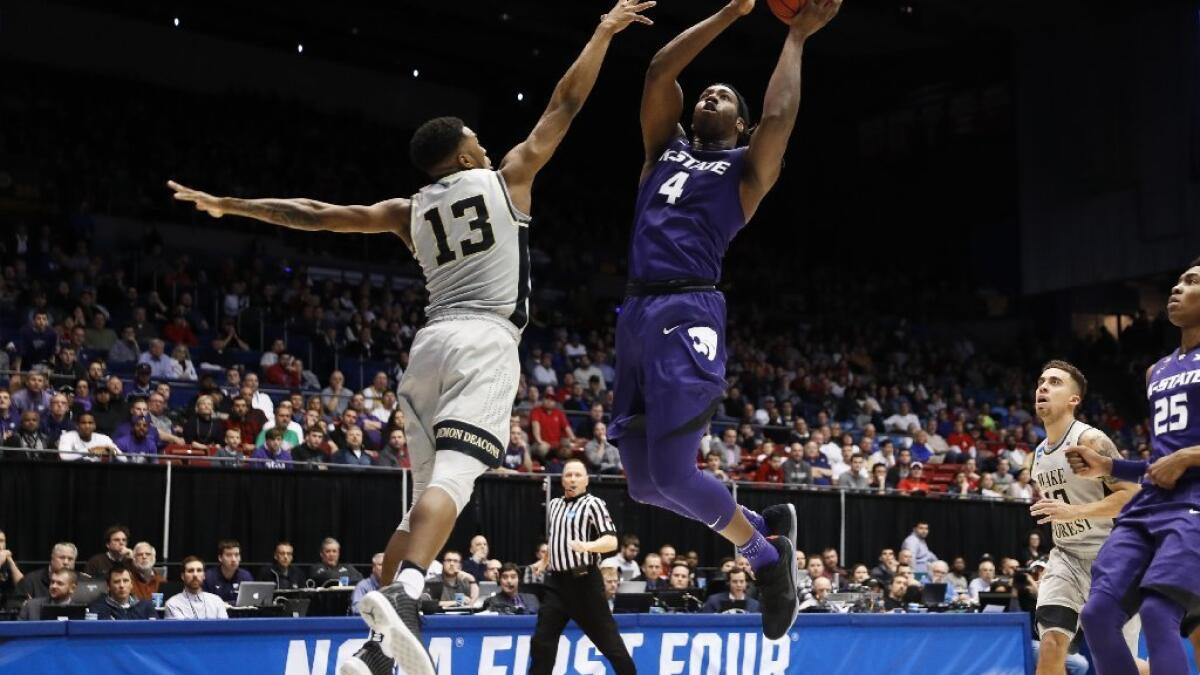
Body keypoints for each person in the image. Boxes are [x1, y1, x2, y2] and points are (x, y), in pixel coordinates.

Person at [117, 7, 668, 675]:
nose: (485, 145)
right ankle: (405, 597)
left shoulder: (407, 212)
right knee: (458, 482)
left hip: (427, 344)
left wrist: (231, 205)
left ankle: (378, 647)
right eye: (475, 139)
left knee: (420, 503)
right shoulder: (508, 177)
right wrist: (604, 32)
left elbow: (316, 215)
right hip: (484, 338)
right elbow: (567, 101)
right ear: (461, 154)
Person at [606, 0, 841, 643]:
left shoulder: (745, 171)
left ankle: (766, 558)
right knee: (647, 485)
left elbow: (781, 115)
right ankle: (767, 531)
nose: (711, 93)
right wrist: (732, 13)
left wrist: (794, 36)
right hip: (636, 311)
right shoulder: (662, 152)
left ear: (740, 126)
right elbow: (658, 72)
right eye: (707, 91)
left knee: (677, 474)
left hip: (689, 309)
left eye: (724, 95)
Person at [1069, 260, 1200, 675]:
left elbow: (1178, 460)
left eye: (1193, 282)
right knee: (1097, 615)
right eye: (1178, 281)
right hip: (1149, 505)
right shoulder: (1156, 370)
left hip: (1195, 505)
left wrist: (1188, 457)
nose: (1177, 288)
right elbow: (1159, 464)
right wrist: (1107, 465)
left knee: (1160, 615)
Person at [1022, 360, 1145, 675]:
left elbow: (1132, 494)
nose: (1043, 387)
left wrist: (1073, 511)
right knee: (1050, 644)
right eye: (1041, 382)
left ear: (1073, 399)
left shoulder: (1090, 440)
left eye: (1055, 382)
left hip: (1113, 558)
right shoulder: (1036, 455)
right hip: (1066, 557)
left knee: (1120, 666)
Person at [527, 459, 633, 674]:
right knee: (541, 643)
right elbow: (555, 538)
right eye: (568, 475)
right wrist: (545, 560)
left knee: (610, 644)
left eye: (577, 475)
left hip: (584, 583)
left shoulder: (594, 504)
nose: (572, 479)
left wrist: (588, 546)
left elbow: (611, 541)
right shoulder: (554, 505)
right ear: (562, 479)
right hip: (556, 584)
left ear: (586, 480)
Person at [164, 556, 229, 620]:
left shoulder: (217, 601)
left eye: (199, 570)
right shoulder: (172, 604)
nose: (195, 574)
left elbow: (225, 629)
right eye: (190, 571)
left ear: (204, 575)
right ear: (183, 576)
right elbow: (182, 629)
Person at [89, 564, 155, 620]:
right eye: (116, 582)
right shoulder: (97, 608)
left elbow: (157, 631)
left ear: (131, 584)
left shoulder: (146, 606)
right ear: (108, 586)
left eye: (125, 581)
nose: (122, 585)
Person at [203, 540, 253, 604]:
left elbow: (251, 602)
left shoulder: (246, 576)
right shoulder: (209, 577)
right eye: (229, 555)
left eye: (236, 555)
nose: (233, 559)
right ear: (220, 558)